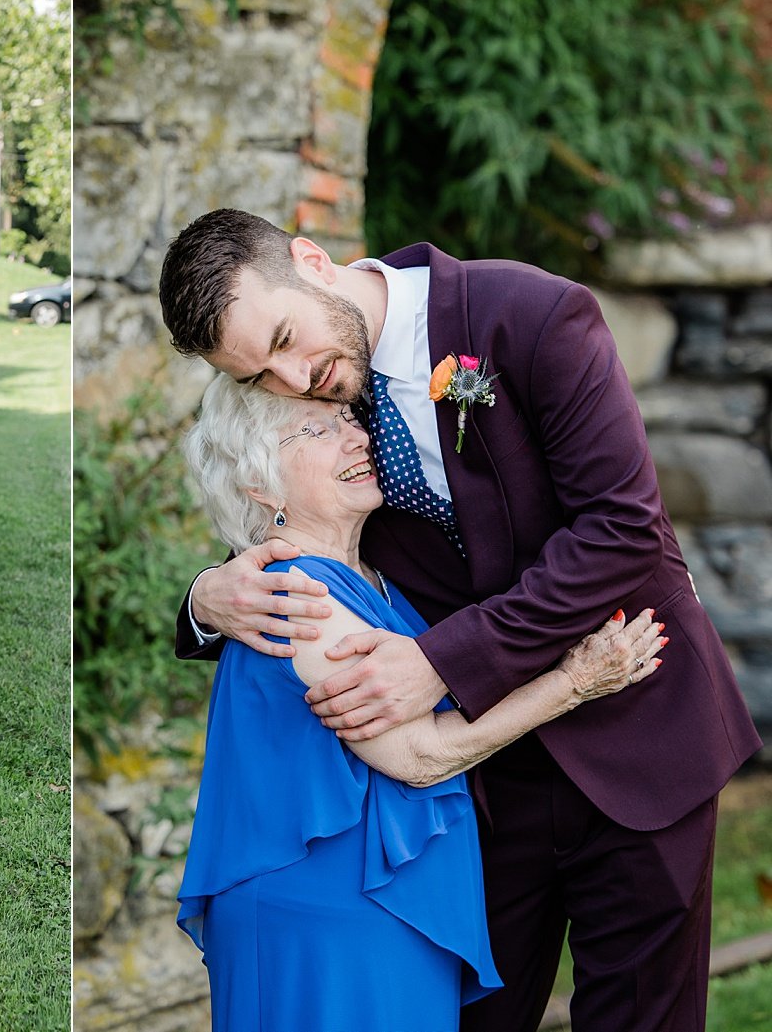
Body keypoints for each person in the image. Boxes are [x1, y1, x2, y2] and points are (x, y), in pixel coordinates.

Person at [159, 208, 761, 1031]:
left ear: (312, 260)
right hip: (482, 787)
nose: (297, 379)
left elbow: (622, 528)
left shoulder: (533, 316)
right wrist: (204, 598)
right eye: (262, 374)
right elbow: (279, 521)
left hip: (637, 730)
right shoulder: (325, 409)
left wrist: (440, 662)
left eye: (288, 339)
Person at [177, 381, 665, 1029]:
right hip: (324, 921)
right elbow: (418, 754)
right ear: (258, 483)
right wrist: (574, 682)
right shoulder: (296, 595)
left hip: (387, 909)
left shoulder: (378, 580)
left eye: (349, 419)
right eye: (318, 430)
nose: (358, 437)